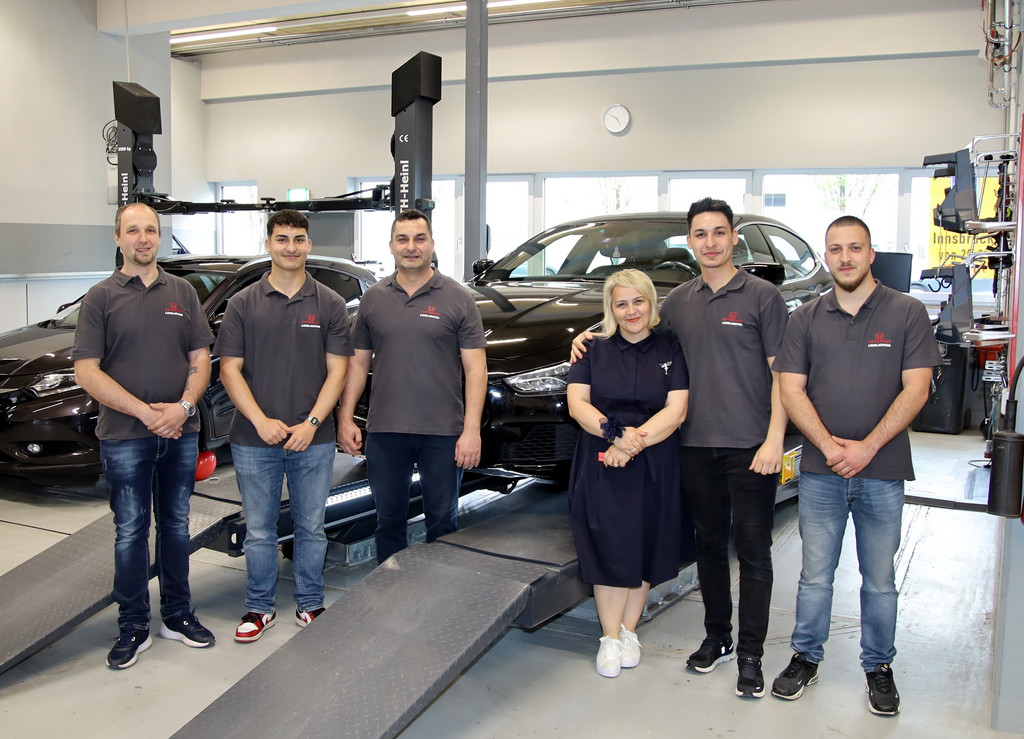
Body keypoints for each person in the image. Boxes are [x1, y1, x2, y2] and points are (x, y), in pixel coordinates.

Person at [572, 197, 788, 698]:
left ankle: (751, 655)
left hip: (750, 445)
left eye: (719, 232)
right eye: (700, 234)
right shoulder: (678, 303)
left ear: (734, 237)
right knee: (708, 547)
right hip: (691, 447)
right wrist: (585, 338)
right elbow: (634, 335)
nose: (710, 243)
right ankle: (718, 637)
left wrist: (776, 438)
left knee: (753, 552)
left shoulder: (763, 297)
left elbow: (784, 375)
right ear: (690, 242)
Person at [769, 216, 940, 716]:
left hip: (883, 472)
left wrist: (867, 447)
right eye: (836, 249)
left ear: (871, 253)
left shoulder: (907, 312)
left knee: (879, 579)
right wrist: (830, 447)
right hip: (821, 474)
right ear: (826, 256)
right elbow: (790, 389)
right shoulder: (805, 319)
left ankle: (878, 665)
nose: (845, 257)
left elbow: (917, 388)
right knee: (814, 576)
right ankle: (806, 656)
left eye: (855, 248)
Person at [73, 202, 216, 669]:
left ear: (159, 236)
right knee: (131, 530)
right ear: (118, 238)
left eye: (150, 230)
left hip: (180, 432)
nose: (143, 238)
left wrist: (183, 408)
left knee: (176, 525)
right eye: (132, 230)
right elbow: (86, 372)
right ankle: (133, 625)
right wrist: (144, 413)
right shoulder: (100, 298)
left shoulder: (183, 292)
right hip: (124, 436)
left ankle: (177, 614)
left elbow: (200, 358)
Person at [215, 209, 352, 643]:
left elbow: (338, 371)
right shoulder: (243, 303)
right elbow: (229, 370)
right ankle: (259, 608)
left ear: (309, 245)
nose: (290, 247)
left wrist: (312, 423)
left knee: (311, 527)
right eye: (282, 239)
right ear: (268, 244)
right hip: (254, 440)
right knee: (259, 531)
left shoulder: (329, 303)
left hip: (314, 439)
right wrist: (260, 421)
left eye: (298, 239)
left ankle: (310, 602)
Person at [337, 209, 487, 564]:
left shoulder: (458, 298)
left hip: (442, 433)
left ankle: (439, 592)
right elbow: (357, 363)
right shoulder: (373, 298)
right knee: (388, 522)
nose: (411, 247)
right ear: (391, 246)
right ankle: (391, 589)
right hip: (386, 431)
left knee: (442, 522)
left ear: (432, 244)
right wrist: (345, 418)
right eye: (402, 239)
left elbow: (477, 370)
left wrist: (471, 431)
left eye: (420, 239)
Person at [566, 269, 689, 678]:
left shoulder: (671, 348)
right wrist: (616, 436)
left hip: (654, 459)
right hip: (602, 460)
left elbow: (676, 410)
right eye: (621, 303)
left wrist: (633, 443)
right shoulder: (591, 349)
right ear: (611, 308)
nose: (631, 311)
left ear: (651, 303)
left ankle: (629, 631)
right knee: (609, 546)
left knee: (645, 543)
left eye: (638, 301)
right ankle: (608, 637)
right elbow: (578, 404)